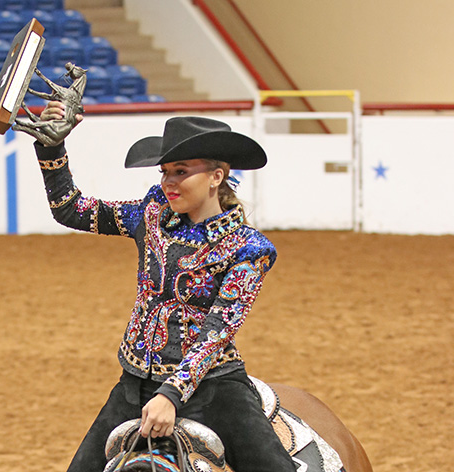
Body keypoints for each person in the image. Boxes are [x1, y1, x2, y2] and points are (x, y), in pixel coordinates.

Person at [32, 101, 296, 472]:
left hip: (213, 389)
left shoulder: (249, 249)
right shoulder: (151, 214)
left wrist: (171, 395)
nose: (168, 182)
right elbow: (71, 209)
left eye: (181, 171)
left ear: (216, 177)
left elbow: (217, 331)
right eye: (165, 172)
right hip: (134, 385)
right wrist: (51, 149)